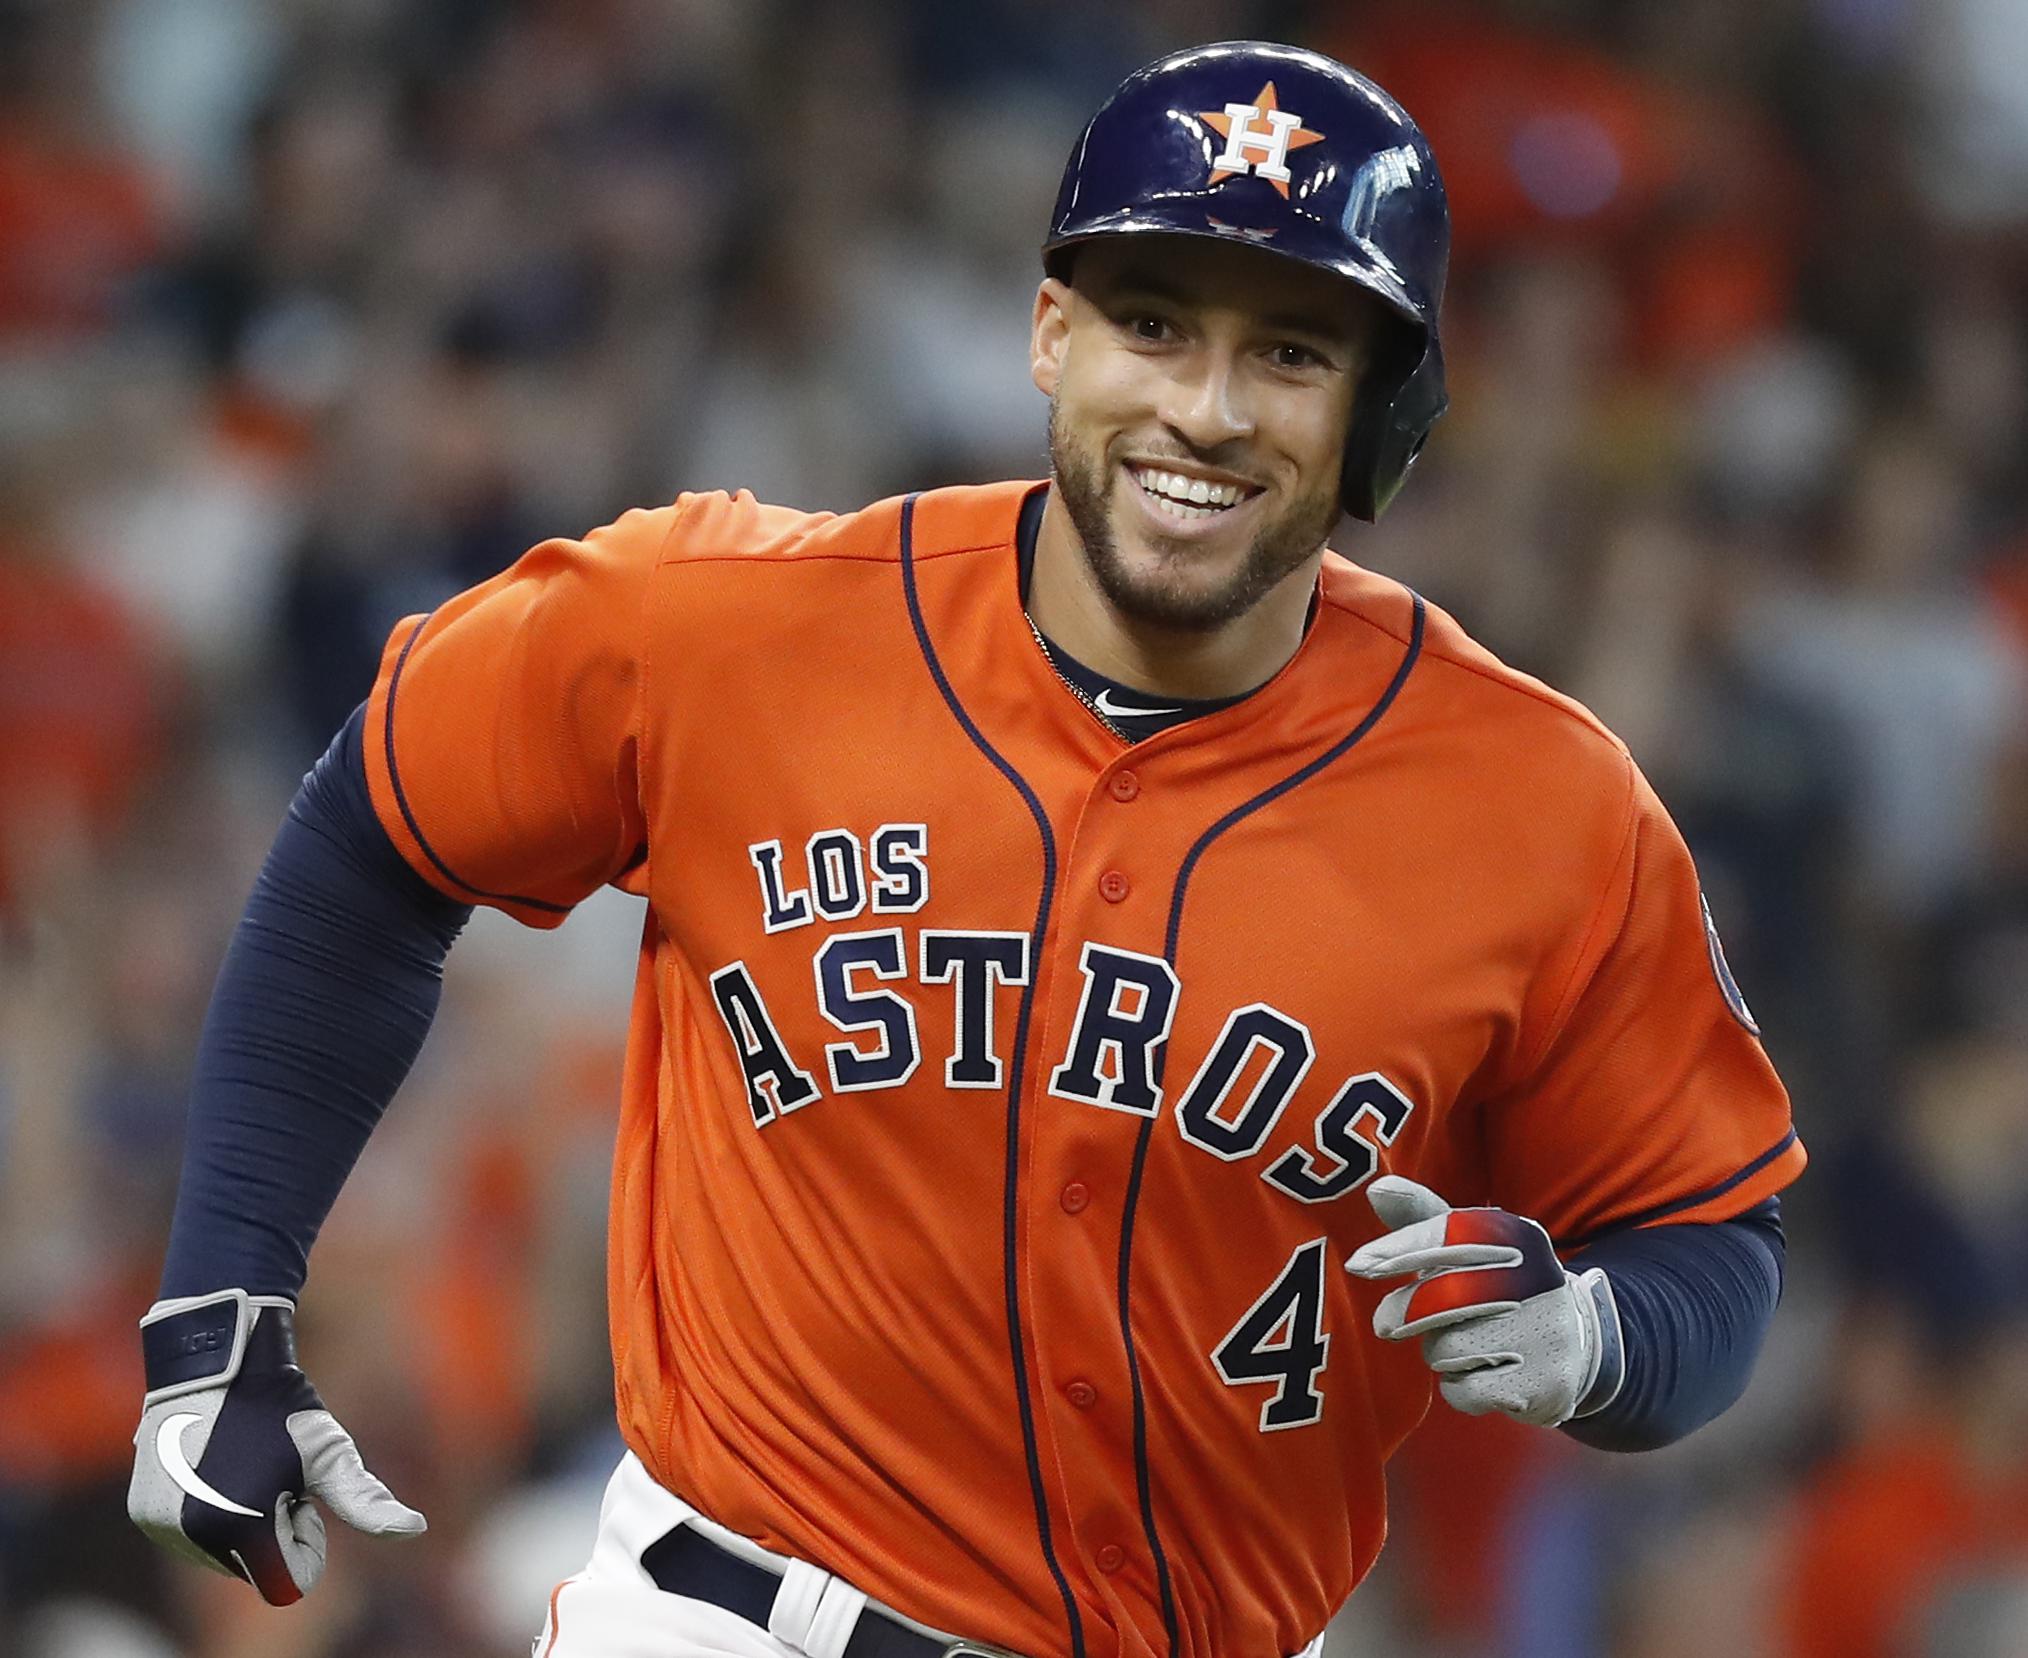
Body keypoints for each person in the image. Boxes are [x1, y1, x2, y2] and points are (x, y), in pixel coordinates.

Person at [127, 40, 1802, 1658]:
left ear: (1389, 410)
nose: (1206, 408)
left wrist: (1598, 1335)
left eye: (1291, 353)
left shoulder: (1541, 802)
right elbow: (375, 831)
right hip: (730, 1611)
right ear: (1052, 335)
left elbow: (1710, 1239)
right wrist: (225, 1307)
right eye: (1155, 324)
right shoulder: (727, 624)